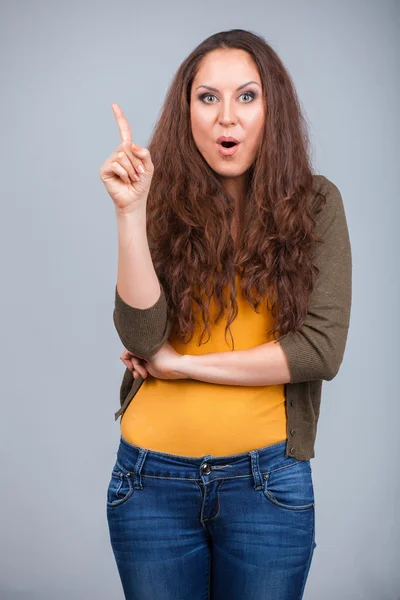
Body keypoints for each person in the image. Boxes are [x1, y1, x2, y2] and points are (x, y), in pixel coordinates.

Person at [99, 28, 352, 600]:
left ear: (273, 109)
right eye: (207, 97)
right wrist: (130, 214)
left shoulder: (317, 204)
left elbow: (319, 350)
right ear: (187, 111)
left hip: (267, 485)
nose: (226, 117)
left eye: (247, 96)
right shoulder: (158, 201)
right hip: (149, 483)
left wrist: (182, 365)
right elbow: (141, 333)